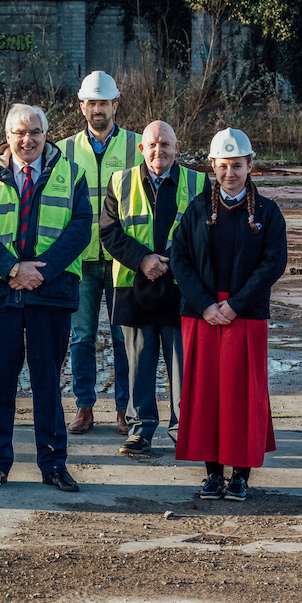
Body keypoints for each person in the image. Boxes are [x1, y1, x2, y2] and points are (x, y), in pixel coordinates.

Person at [0, 103, 92, 492]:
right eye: (19, 132)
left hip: (50, 293)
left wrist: (43, 271)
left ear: (45, 134)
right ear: (7, 136)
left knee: (47, 380)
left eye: (34, 131)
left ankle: (53, 463)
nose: (27, 139)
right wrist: (12, 269)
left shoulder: (71, 175)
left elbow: (80, 229)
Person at [170, 128, 287, 502]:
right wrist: (205, 304)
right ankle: (212, 474)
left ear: (250, 165)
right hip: (202, 314)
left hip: (245, 315)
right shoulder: (197, 209)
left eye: (237, 165)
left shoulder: (267, 213)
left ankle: (240, 475)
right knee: (205, 396)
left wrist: (235, 304)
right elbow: (179, 258)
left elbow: (273, 264)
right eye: (223, 166)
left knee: (241, 396)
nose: (230, 173)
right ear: (213, 167)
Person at [98, 120, 205, 454]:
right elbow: (109, 232)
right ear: (142, 149)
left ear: (177, 147)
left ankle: (183, 429)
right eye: (153, 145)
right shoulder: (120, 180)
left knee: (182, 365)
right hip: (133, 285)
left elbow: (203, 233)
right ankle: (140, 429)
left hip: (180, 286)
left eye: (166, 144)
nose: (160, 151)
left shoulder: (198, 181)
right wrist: (144, 260)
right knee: (137, 363)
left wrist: (171, 261)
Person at [59, 71, 142, 435]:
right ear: (82, 106)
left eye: (103, 103)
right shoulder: (62, 150)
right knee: (81, 337)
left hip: (123, 259)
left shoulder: (138, 146)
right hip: (81, 259)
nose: (97, 109)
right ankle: (84, 406)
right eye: (91, 103)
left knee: (124, 337)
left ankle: (125, 409)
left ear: (115, 105)